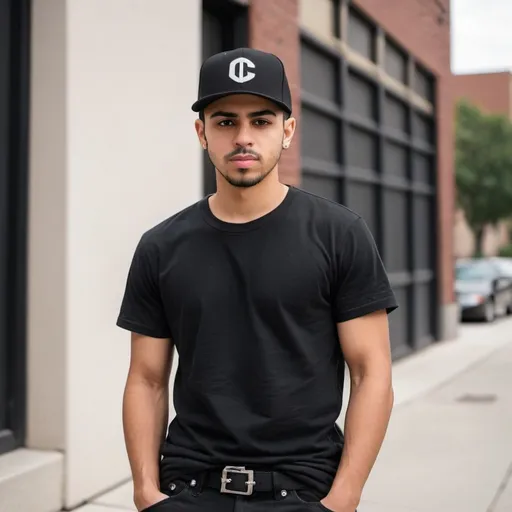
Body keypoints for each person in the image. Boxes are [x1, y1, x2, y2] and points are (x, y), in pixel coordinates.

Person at [117, 47, 398, 512]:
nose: (243, 137)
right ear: (201, 133)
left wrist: (344, 497)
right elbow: (146, 379)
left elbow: (372, 373)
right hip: (188, 487)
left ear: (287, 130)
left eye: (261, 121)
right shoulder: (161, 246)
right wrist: (147, 493)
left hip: (303, 489)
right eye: (225, 121)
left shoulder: (338, 234)